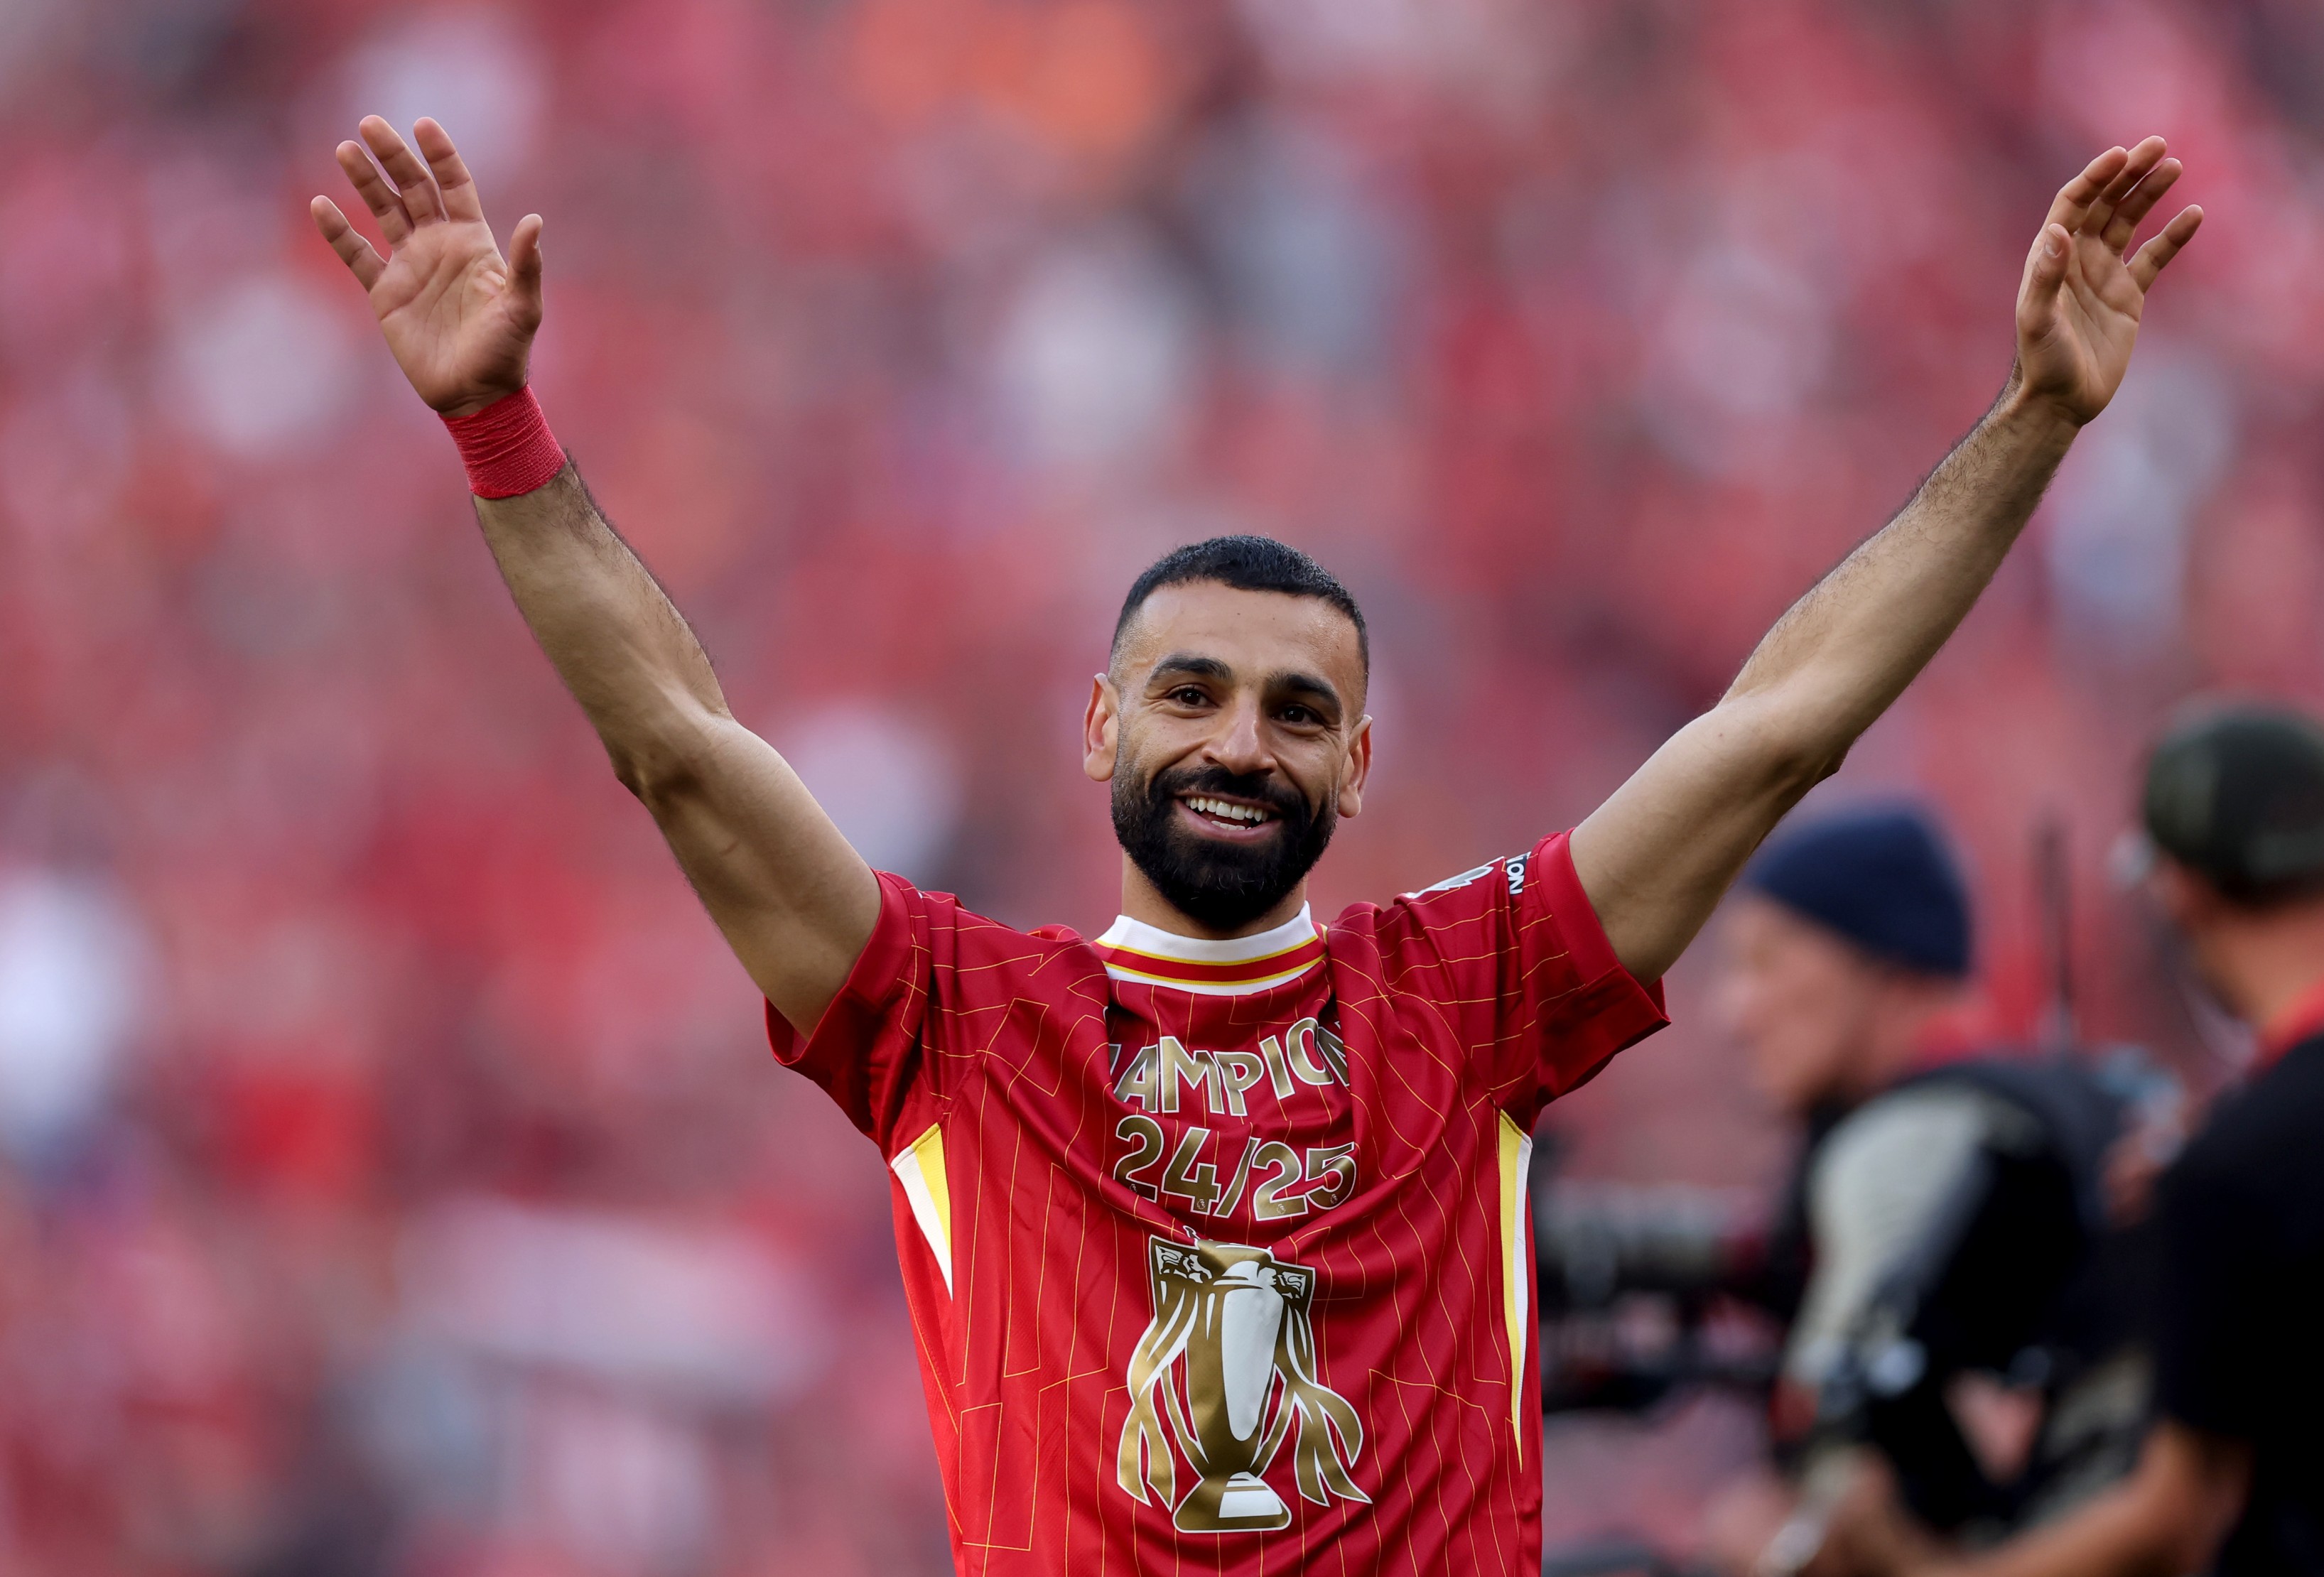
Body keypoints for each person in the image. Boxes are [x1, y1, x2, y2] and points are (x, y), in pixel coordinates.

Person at [307, 112, 2200, 1575]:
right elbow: (680, 749)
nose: (1237, 740)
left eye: (1295, 711)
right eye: (1189, 691)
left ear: (1358, 763)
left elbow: (1777, 726)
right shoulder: (960, 1023)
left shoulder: (1474, 992)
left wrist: (2031, 418)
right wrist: (494, 421)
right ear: (1097, 727)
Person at [1831, 704, 2324, 1577]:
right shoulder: (2241, 1150)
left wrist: (1924, 1570)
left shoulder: (2232, 1168)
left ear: (2179, 890)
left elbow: (2175, 1518)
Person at [1705, 807, 2146, 1574]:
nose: (1732, 1011)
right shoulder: (2084, 1103)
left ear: (1879, 960)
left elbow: (1828, 1417)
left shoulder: (1898, 1142)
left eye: (1766, 960)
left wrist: (1777, 1546)